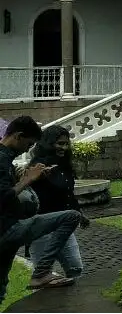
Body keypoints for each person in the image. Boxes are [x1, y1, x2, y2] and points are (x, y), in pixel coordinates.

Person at [0, 116, 85, 296]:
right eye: (28, 144)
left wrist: (25, 179)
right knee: (71, 217)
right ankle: (41, 273)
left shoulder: (7, 159)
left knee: (1, 285)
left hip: (10, 227)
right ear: (18, 136)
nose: (28, 149)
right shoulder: (2, 158)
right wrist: (28, 179)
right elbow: (3, 197)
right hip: (8, 229)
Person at [26, 125, 84, 282]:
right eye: (59, 143)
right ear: (48, 143)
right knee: (42, 275)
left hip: (65, 226)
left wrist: (80, 214)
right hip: (42, 228)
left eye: (66, 144)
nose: (64, 147)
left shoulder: (65, 166)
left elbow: (68, 194)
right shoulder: (38, 167)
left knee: (76, 268)